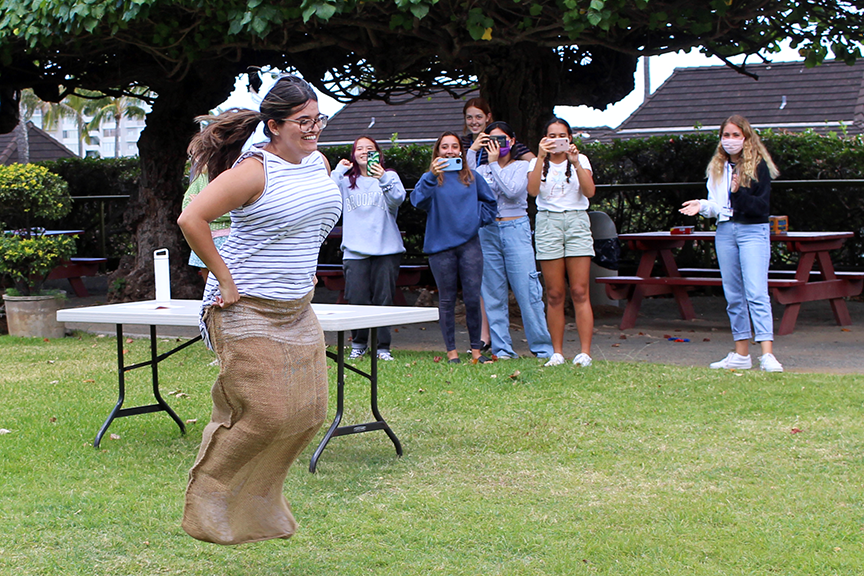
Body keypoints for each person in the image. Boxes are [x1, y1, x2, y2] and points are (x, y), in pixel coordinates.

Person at [177, 75, 343, 545]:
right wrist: (224, 279)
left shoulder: (318, 163)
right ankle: (208, 493)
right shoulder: (254, 170)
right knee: (268, 412)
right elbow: (192, 218)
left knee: (311, 411)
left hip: (297, 305)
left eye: (318, 120)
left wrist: (305, 262)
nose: (314, 130)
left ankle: (259, 499)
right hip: (244, 304)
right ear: (273, 125)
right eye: (303, 122)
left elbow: (311, 217)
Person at [680, 114, 783, 372]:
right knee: (734, 295)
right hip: (726, 231)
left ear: (746, 138)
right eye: (726, 135)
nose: (730, 140)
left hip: (752, 231)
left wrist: (738, 194)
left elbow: (761, 206)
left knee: (756, 292)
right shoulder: (717, 167)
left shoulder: (758, 167)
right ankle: (741, 353)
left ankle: (767, 353)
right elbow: (717, 205)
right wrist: (702, 205)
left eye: (736, 135)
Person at [468, 121, 554, 360]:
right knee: (493, 293)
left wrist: (494, 163)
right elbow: (466, 182)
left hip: (516, 227)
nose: (498, 145)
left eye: (503, 140)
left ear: (513, 141)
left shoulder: (522, 166)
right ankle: (502, 349)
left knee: (527, 291)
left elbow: (513, 191)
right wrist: (473, 151)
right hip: (488, 230)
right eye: (492, 140)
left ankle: (543, 349)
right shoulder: (482, 169)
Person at [411, 131, 497, 364]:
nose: (450, 151)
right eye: (444, 147)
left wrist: (475, 219)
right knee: (446, 300)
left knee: (471, 298)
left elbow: (491, 205)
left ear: (461, 150)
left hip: (469, 245)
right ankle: (451, 352)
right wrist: (431, 175)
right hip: (440, 247)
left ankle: (476, 351)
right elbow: (417, 201)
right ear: (437, 151)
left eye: (454, 147)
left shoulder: (472, 177)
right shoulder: (430, 177)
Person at [527, 117, 596, 367]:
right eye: (551, 136)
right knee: (555, 293)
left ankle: (585, 352)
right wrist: (540, 157)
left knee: (580, 290)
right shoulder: (538, 162)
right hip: (548, 222)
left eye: (561, 136)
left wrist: (575, 162)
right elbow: (533, 191)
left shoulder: (581, 160)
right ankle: (556, 352)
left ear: (570, 138)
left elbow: (589, 192)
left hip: (576, 220)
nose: (556, 140)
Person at [331, 136, 406, 361]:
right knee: (356, 298)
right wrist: (336, 171)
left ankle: (383, 347)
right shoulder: (345, 181)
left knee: (384, 300)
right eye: (359, 149)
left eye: (369, 149)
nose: (364, 152)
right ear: (353, 155)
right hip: (355, 251)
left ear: (378, 153)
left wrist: (382, 178)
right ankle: (360, 343)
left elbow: (398, 199)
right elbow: (326, 195)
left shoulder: (389, 176)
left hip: (387, 249)